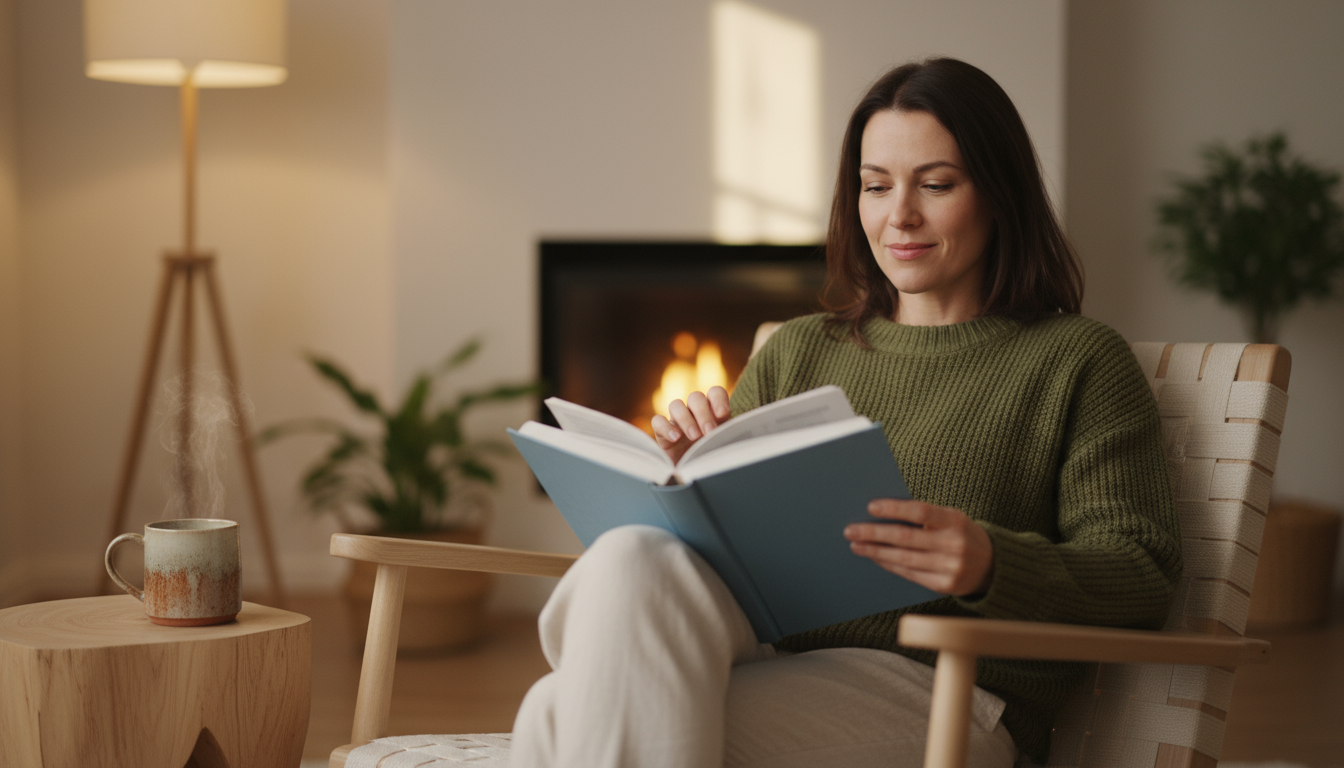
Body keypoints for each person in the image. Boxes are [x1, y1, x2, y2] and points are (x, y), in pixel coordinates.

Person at [510, 57, 1181, 768]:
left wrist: (990, 563)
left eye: (936, 184)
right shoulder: (799, 348)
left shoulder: (1077, 360)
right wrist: (682, 482)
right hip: (767, 648)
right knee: (632, 553)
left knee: (558, 712)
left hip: (950, 691)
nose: (900, 216)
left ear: (999, 194)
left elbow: (1141, 573)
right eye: (875, 186)